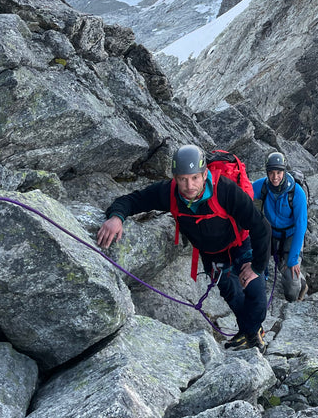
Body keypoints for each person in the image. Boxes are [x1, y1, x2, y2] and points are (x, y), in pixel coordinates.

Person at [97, 144, 270, 352]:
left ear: (205, 174)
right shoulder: (168, 193)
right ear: (175, 178)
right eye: (183, 179)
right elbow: (133, 200)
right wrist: (117, 217)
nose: (189, 185)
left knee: (255, 290)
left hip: (240, 244)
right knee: (232, 293)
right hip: (212, 253)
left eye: (195, 178)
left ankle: (252, 333)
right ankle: (249, 333)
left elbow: (261, 228)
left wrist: (256, 267)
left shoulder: (225, 191)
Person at [252, 151, 308, 302]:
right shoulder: (263, 186)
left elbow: (301, 226)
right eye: (271, 172)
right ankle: (262, 278)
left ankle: (298, 291)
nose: (275, 177)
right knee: (251, 257)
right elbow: (243, 193)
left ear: (284, 171)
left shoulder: (297, 193)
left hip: (290, 235)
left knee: (291, 282)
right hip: (269, 233)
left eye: (278, 172)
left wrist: (293, 259)